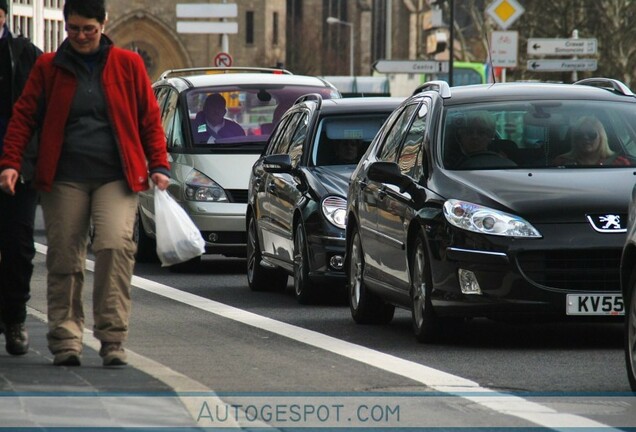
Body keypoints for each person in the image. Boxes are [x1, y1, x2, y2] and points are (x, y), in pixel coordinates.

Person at [0, 0, 170, 367]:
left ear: (103, 24)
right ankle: (66, 339)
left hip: (116, 176)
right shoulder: (49, 67)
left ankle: (112, 339)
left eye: (88, 29)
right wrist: (11, 163)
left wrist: (159, 164)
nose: (80, 36)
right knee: (64, 255)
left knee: (113, 246)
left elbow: (149, 119)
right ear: (65, 26)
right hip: (63, 178)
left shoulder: (128, 65)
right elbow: (23, 117)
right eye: (73, 28)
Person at [0, 0, 42, 356]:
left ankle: (14, 318)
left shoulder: (27, 55)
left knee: (18, 250)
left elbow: (40, 115)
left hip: (19, 172)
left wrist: (29, 163)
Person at [552, 116, 630, 166]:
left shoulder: (619, 163)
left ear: (601, 137)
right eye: (580, 134)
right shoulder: (562, 162)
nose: (586, 138)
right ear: (575, 139)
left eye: (591, 134)